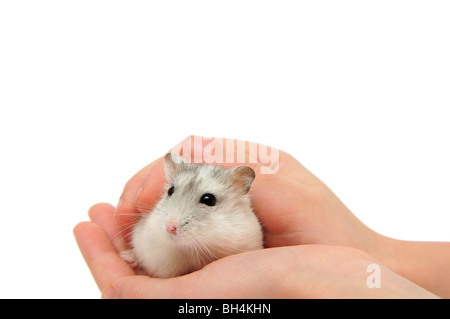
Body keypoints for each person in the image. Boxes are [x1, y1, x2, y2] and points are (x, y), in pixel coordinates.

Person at [74, 136, 449, 298]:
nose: (174, 222)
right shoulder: (162, 222)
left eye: (206, 200)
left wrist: (334, 278)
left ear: (239, 191)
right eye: (171, 193)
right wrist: (373, 261)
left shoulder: (248, 232)